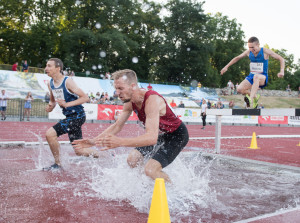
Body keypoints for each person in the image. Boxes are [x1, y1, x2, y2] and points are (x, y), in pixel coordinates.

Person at [73, 69, 189, 182]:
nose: (117, 93)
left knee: (150, 170)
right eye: (116, 89)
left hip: (177, 135)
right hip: (162, 135)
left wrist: (120, 142)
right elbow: (117, 126)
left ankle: (172, 191)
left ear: (133, 86)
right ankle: (146, 184)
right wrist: (94, 141)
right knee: (132, 160)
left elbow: (151, 138)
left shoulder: (151, 99)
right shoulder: (129, 101)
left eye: (121, 89)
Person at [43, 58, 96, 171]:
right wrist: (50, 106)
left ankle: (58, 164)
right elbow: (53, 101)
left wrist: (67, 104)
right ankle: (106, 155)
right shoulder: (50, 83)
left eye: (49, 66)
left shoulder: (67, 81)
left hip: (78, 116)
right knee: (79, 151)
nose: (46, 68)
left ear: (58, 68)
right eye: (46, 66)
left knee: (50, 134)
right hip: (70, 117)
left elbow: (85, 97)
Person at [221, 36, 285, 108]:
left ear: (258, 45)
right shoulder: (249, 52)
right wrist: (226, 66)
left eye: (252, 47)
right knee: (239, 89)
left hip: (262, 76)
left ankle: (250, 99)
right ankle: (254, 97)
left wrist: (282, 71)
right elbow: (237, 58)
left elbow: (281, 58)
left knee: (256, 77)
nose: (251, 49)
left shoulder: (265, 51)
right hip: (251, 76)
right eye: (249, 47)